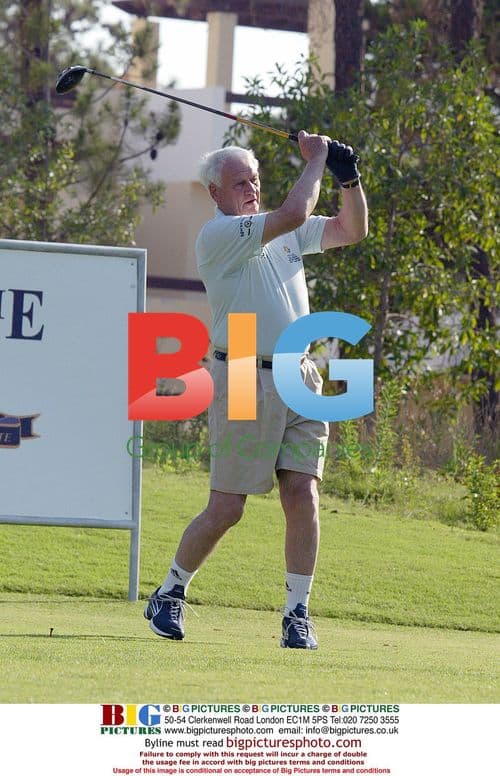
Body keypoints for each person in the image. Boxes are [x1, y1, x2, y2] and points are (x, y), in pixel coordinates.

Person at [145, 130, 368, 649]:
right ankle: (171, 591)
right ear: (215, 194)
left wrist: (347, 176)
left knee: (302, 493)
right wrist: (317, 160)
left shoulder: (283, 231)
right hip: (242, 367)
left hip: (300, 370)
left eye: (256, 179)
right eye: (240, 181)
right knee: (228, 507)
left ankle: (296, 614)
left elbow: (351, 229)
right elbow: (293, 211)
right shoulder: (218, 236)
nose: (251, 187)